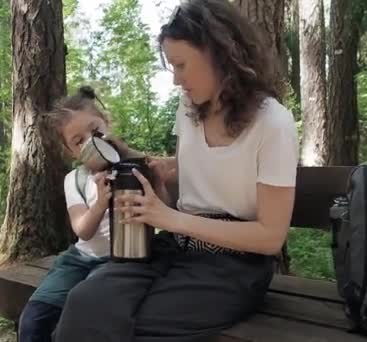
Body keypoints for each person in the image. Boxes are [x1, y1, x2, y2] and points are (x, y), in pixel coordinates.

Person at [53, 0, 299, 341]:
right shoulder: (190, 107)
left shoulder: (273, 124)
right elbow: (195, 173)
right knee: (84, 303)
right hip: (174, 249)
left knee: (134, 324)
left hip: (234, 266)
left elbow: (271, 237)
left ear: (220, 54)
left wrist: (168, 218)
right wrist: (144, 165)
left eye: (181, 65)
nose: (175, 80)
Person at [17, 86, 115, 342]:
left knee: (81, 314)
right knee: (33, 320)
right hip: (79, 258)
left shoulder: (133, 168)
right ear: (71, 152)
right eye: (78, 141)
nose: (91, 142)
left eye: (96, 132)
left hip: (119, 263)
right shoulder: (75, 179)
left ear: (108, 124)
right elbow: (82, 229)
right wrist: (101, 203)